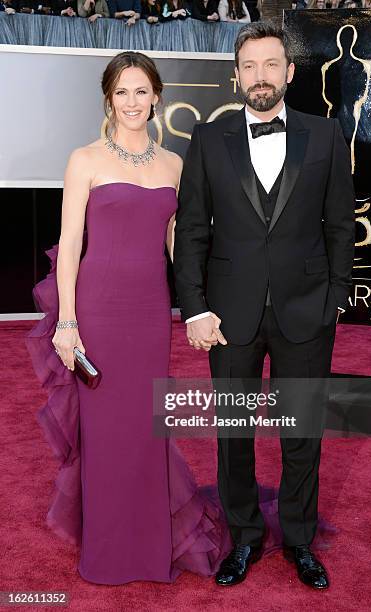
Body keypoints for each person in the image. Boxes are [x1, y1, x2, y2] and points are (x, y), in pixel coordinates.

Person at [26, 51, 232, 585]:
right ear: (109, 99)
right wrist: (66, 324)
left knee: (145, 429)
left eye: (141, 91)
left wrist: (197, 307)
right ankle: (108, 551)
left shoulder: (174, 166)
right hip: (97, 310)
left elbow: (176, 247)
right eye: (122, 92)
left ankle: (148, 546)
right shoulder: (85, 159)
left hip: (147, 313)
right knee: (104, 433)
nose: (132, 102)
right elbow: (70, 245)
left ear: (157, 95)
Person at [174, 20, 355, 589]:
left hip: (308, 310)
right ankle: (244, 538)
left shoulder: (325, 136)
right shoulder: (207, 140)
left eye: (271, 65)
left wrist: (335, 296)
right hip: (230, 315)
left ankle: (300, 539)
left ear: (290, 73)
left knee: (302, 432)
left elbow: (341, 225)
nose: (260, 76)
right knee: (234, 433)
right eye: (249, 66)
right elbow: (193, 233)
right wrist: (196, 307)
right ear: (235, 76)